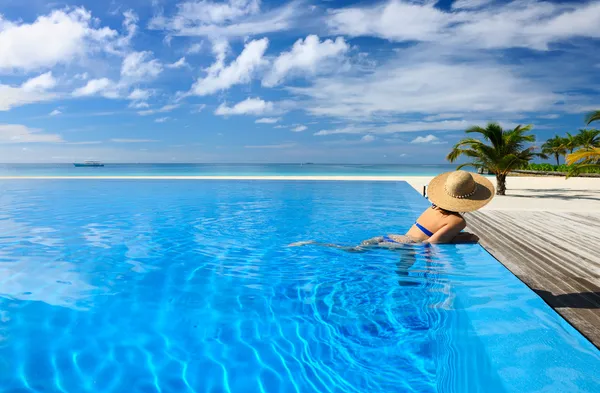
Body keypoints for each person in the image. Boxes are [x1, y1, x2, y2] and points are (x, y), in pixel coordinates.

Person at [289, 170, 494, 250]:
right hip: (404, 246)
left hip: (391, 237)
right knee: (353, 251)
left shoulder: (432, 208)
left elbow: (425, 233)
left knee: (353, 249)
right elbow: (432, 244)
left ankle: (313, 242)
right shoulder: (457, 221)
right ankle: (313, 243)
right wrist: (462, 238)